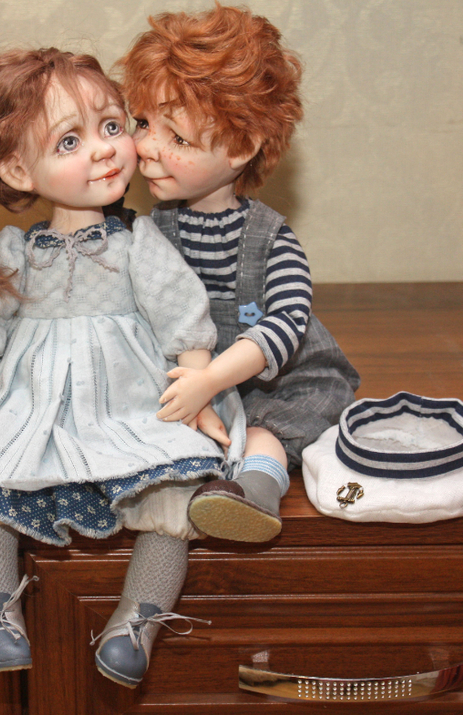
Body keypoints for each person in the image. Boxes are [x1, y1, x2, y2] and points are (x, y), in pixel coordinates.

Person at [0, 47, 245, 689]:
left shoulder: (138, 243)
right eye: (70, 141)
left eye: (112, 126)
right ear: (19, 168)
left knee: (172, 493)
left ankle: (138, 621)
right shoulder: (15, 250)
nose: (104, 150)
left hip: (127, 397)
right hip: (35, 397)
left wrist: (201, 391)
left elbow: (181, 314)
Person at [117, 4, 360, 543]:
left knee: (269, 426)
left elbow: (288, 321)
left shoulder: (270, 238)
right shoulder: (146, 232)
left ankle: (255, 490)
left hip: (272, 376)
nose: (146, 147)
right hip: (182, 376)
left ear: (240, 148)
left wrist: (212, 380)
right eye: (143, 123)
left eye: (177, 139)